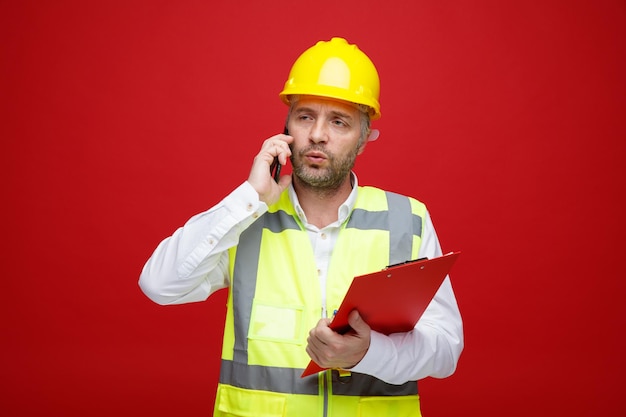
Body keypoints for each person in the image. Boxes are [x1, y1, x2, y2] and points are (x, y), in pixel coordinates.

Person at [139, 37, 463, 417]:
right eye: (305, 116)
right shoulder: (246, 218)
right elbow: (159, 285)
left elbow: (445, 350)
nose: (317, 134)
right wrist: (249, 197)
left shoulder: (407, 220)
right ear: (287, 126)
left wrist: (368, 353)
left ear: (363, 139)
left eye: (338, 121)